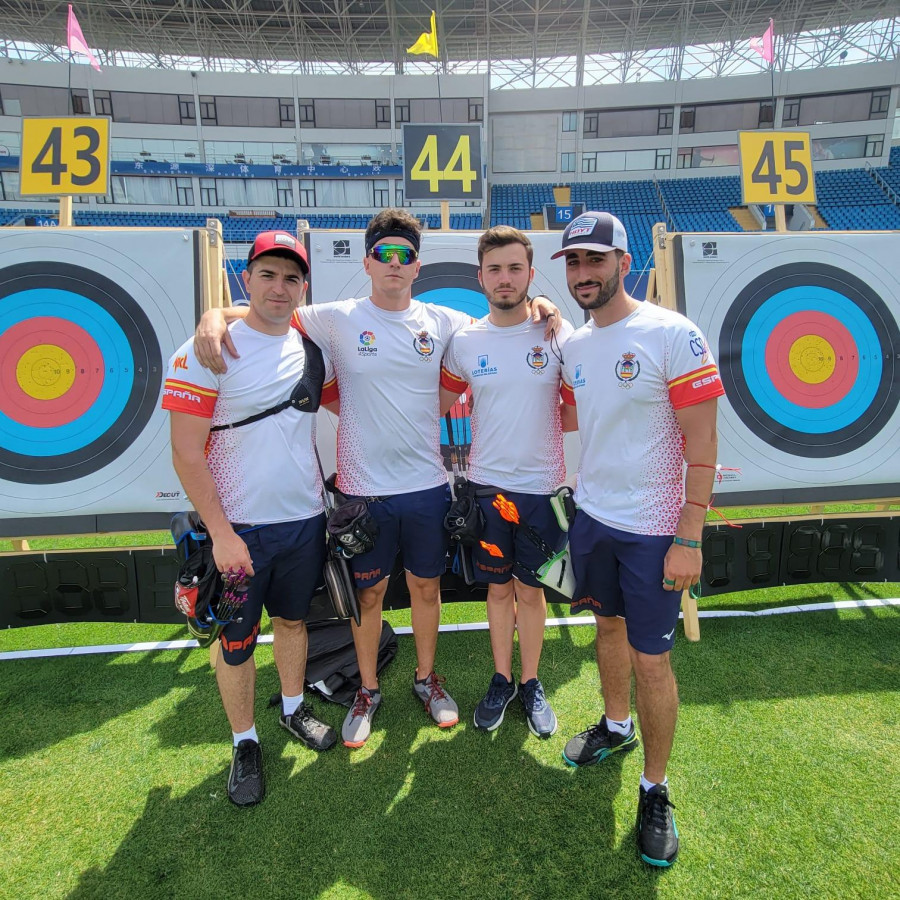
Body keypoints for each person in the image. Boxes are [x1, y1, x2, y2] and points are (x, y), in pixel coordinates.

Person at [193, 209, 562, 750]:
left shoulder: (445, 323)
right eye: (383, 254)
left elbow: (503, 323)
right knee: (369, 598)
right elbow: (266, 310)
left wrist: (542, 304)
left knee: (426, 588)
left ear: (417, 266)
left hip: (426, 486)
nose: (394, 263)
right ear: (367, 262)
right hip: (363, 491)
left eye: (405, 255)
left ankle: (426, 678)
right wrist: (213, 316)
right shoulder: (334, 317)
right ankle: (367, 689)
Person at [555, 211, 725, 866]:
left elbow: (704, 441)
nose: (583, 274)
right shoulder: (573, 344)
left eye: (594, 260)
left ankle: (655, 788)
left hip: (656, 531)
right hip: (593, 519)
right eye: (572, 262)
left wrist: (690, 532)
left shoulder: (671, 334)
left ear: (624, 263)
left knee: (652, 659)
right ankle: (616, 726)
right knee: (605, 632)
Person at [162, 231, 338, 807]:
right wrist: (221, 536)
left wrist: (217, 311)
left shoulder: (311, 345)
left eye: (292, 278)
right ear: (246, 278)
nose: (279, 288)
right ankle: (244, 742)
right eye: (268, 274)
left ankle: (291, 709)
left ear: (304, 287)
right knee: (236, 642)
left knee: (291, 623)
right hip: (238, 532)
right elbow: (186, 453)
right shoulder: (206, 351)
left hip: (304, 522)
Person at [439, 225, 574, 738]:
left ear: (531, 275)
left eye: (515, 268)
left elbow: (580, 409)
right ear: (480, 277)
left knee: (532, 591)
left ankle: (532, 681)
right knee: (497, 591)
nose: (505, 278)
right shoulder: (465, 341)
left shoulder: (557, 334)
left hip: (543, 490)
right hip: (487, 489)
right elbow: (435, 405)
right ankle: (501, 679)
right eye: (494, 268)